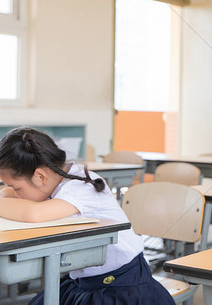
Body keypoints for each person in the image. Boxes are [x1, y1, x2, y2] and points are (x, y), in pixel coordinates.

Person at [0, 127, 174, 305]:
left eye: (17, 188)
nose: (15, 192)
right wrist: (9, 192)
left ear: (40, 176)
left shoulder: (82, 186)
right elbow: (8, 195)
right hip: (85, 280)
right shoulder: (52, 182)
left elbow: (34, 214)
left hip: (121, 284)